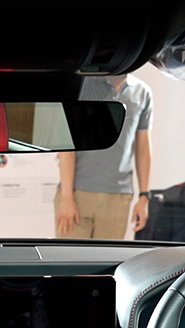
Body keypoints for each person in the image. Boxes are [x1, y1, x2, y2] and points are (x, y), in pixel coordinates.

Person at [55, 74, 152, 239]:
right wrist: (66, 197)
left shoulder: (142, 92)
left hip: (118, 197)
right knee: (70, 254)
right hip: (78, 193)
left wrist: (144, 196)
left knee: (109, 255)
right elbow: (67, 144)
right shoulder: (82, 85)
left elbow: (143, 147)